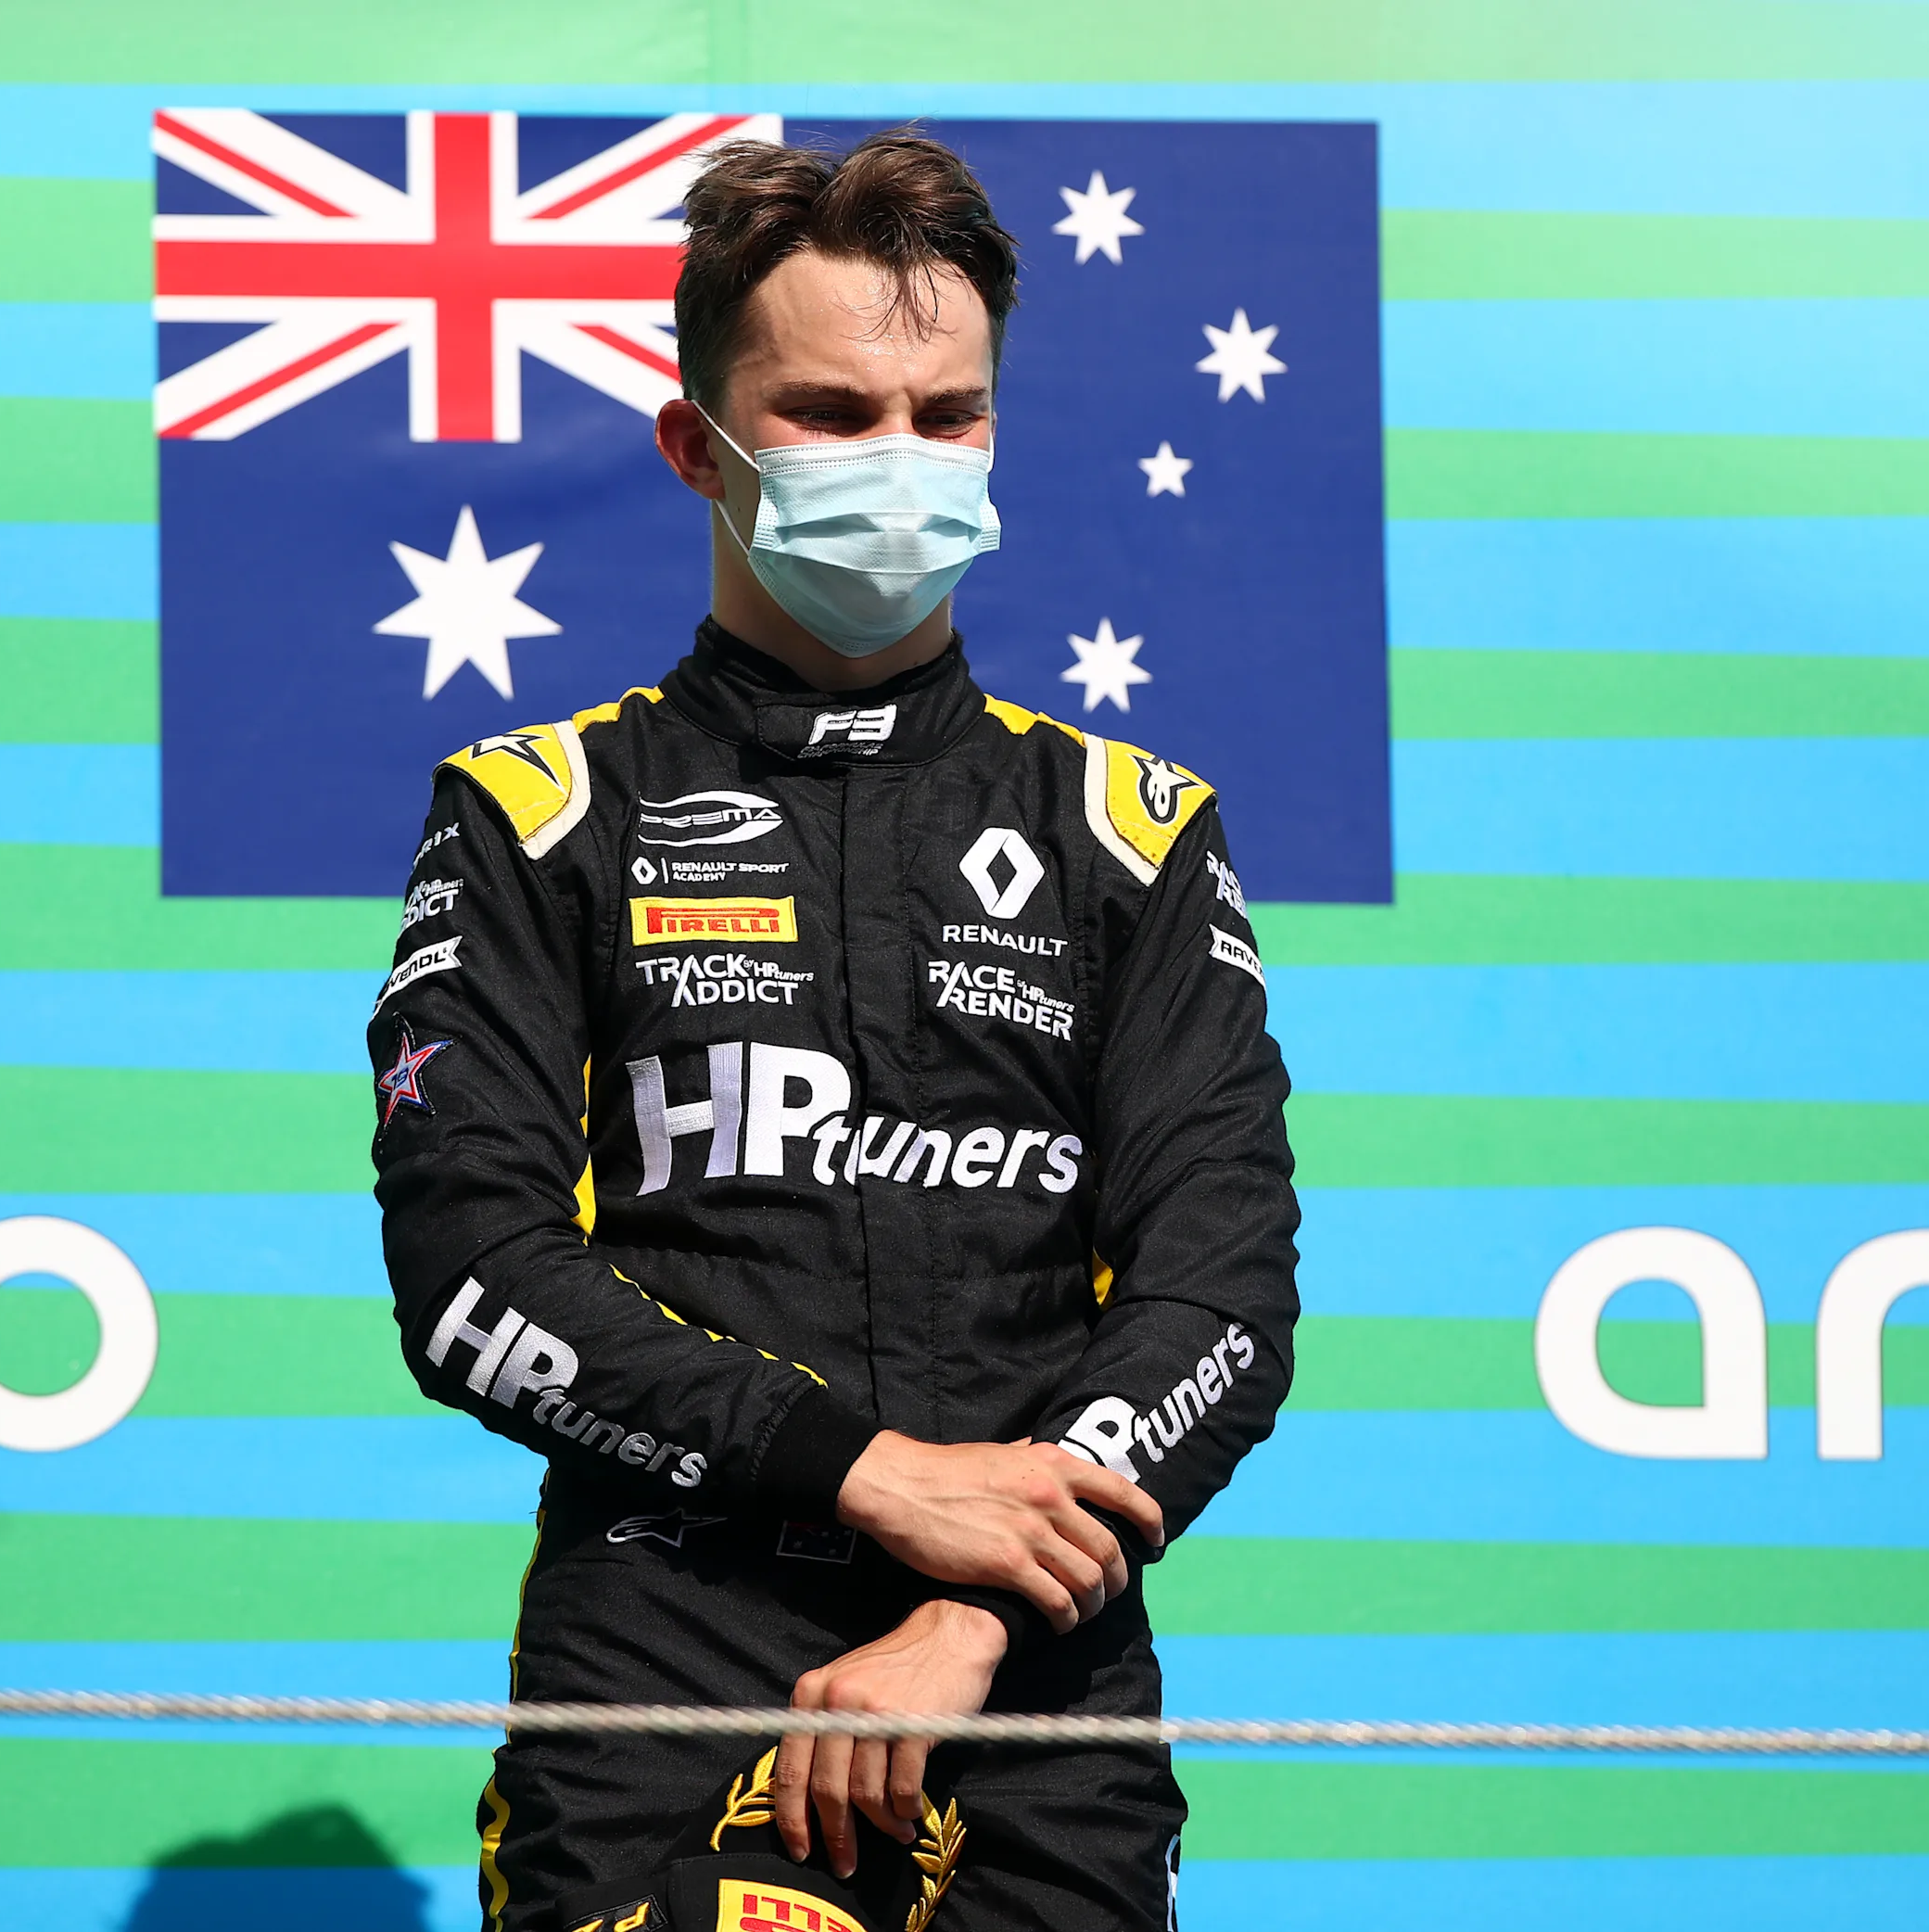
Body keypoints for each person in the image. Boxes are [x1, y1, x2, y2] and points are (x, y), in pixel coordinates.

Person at [369, 128, 1300, 1932]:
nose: (898, 459)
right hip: (661, 1662)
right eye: (827, 409)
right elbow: (471, 1277)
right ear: (694, 444)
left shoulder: (1132, 828)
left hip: (1034, 1690)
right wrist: (872, 1477)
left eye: (944, 415)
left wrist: (973, 1606)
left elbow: (1223, 1297)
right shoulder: (537, 809)